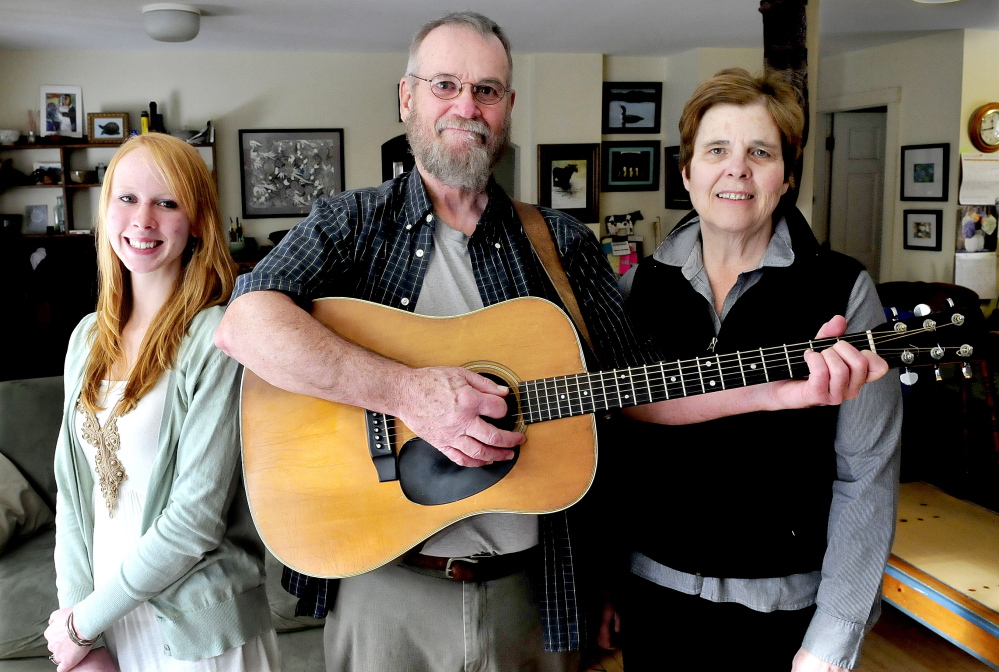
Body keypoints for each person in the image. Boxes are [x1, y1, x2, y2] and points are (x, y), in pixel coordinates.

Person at [213, 14, 886, 672]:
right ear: (406, 97)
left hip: (531, 594)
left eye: (486, 90)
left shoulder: (562, 246)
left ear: (507, 107)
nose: (465, 106)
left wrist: (771, 392)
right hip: (385, 588)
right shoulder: (349, 225)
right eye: (444, 84)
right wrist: (408, 392)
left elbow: (634, 390)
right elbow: (245, 325)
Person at [610, 68, 902, 672]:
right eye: (717, 150)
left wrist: (835, 634)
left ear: (786, 176)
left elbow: (866, 476)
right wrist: (607, 582)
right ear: (687, 172)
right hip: (651, 601)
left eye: (760, 152)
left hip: (785, 616)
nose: (736, 169)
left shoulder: (842, 291)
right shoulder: (636, 288)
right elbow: (611, 449)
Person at [45, 133, 280, 672]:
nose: (142, 219)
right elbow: (73, 499)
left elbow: (196, 520)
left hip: (203, 635)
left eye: (166, 202)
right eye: (126, 198)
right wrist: (85, 633)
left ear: (196, 220)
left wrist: (83, 623)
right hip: (109, 622)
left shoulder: (217, 336)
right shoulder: (86, 339)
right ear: (105, 211)